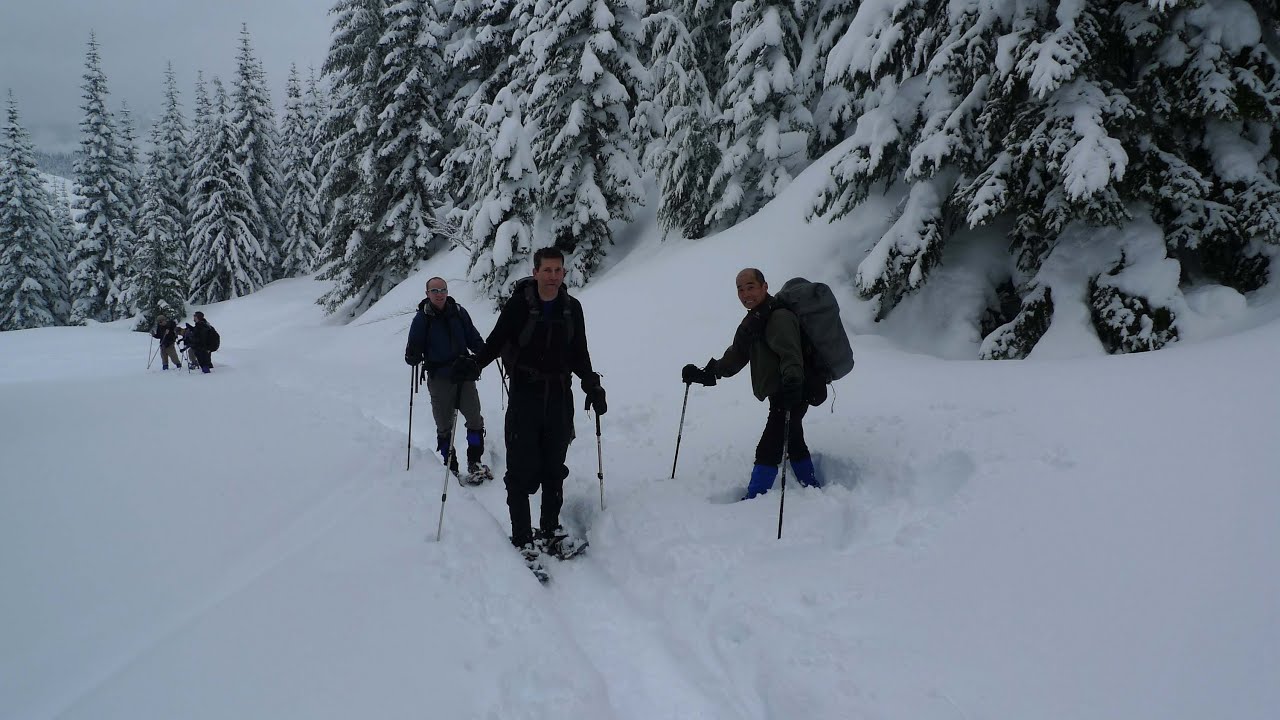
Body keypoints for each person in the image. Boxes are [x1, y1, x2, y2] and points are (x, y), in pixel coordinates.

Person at [452, 247, 606, 559]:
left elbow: (579, 351)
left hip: (560, 397)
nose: (552, 276)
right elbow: (496, 341)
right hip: (525, 395)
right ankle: (522, 538)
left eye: (557, 270)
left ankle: (549, 530)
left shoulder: (572, 308)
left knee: (554, 469)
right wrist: (474, 364)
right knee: (520, 470)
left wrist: (591, 384)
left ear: (563, 273)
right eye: (546, 270)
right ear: (535, 273)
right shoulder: (519, 305)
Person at [681, 268, 821, 499]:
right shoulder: (755, 320)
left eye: (751, 287)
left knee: (769, 446)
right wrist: (707, 374)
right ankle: (811, 485)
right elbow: (736, 356)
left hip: (794, 390)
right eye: (740, 289)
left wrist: (793, 383)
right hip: (782, 392)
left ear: (765, 287)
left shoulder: (779, 317)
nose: (746, 294)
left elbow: (791, 356)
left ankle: (755, 497)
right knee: (793, 438)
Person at [404, 276, 491, 482]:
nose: (439, 294)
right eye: (434, 291)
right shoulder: (421, 319)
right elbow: (412, 351)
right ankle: (450, 465)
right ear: (427, 294)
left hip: (463, 375)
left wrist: (486, 352)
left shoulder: (459, 312)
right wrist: (413, 355)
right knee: (444, 425)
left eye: (443, 290)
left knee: (474, 419)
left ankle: (475, 461)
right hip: (439, 378)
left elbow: (473, 338)